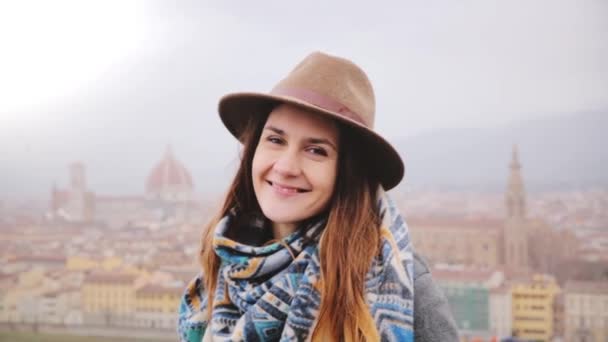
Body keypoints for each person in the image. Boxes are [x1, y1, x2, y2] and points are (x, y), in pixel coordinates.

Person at [178, 52, 458, 341]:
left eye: (316, 150)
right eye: (275, 139)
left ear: (347, 174)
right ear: (253, 150)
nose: (285, 167)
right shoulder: (223, 265)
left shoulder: (399, 282)